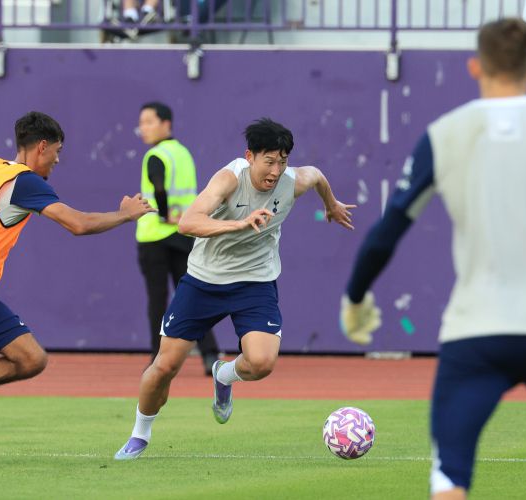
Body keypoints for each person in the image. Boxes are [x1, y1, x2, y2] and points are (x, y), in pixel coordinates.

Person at [340, 18, 526, 500]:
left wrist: (355, 297)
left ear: (474, 66)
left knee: (450, 477)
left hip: (477, 332)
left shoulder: (445, 134)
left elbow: (385, 234)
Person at [114, 117, 356, 460]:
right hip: (204, 281)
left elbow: (316, 175)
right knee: (164, 367)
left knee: (262, 363)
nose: (275, 170)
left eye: (282, 161)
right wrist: (239, 223)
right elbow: (187, 222)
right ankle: (140, 434)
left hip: (255, 281)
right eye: (268, 161)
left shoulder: (293, 181)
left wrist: (331, 204)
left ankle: (224, 375)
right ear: (250, 156)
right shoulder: (229, 179)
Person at [0, 111, 155, 444]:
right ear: (42, 147)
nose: (57, 160)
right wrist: (125, 215)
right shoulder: (25, 182)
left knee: (31, 359)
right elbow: (78, 224)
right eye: (57, 151)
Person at [136, 101, 220, 375]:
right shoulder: (184, 154)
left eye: (149, 122)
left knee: (157, 300)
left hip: (154, 236)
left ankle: (157, 359)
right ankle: (210, 354)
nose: (143, 128)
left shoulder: (155, 155)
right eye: (142, 123)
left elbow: (159, 187)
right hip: (184, 235)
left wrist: (162, 214)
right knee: (193, 297)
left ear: (166, 124)